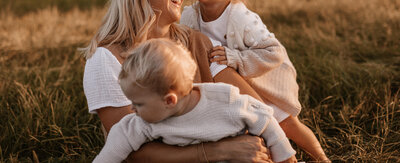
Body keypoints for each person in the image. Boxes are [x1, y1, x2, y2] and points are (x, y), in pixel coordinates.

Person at [82, 0, 277, 162]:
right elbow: (131, 152)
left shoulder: (198, 42)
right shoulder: (105, 59)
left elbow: (255, 109)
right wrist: (218, 151)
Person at [180, 0, 329, 162]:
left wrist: (237, 58)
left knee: (286, 124)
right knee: (250, 127)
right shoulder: (189, 16)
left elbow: (274, 52)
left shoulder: (240, 18)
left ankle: (321, 157)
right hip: (230, 87)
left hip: (261, 83)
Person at [93, 38, 297, 163]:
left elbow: (265, 118)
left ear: (169, 100)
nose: (132, 109)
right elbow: (114, 148)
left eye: (138, 104)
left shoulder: (224, 101)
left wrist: (284, 155)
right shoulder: (143, 123)